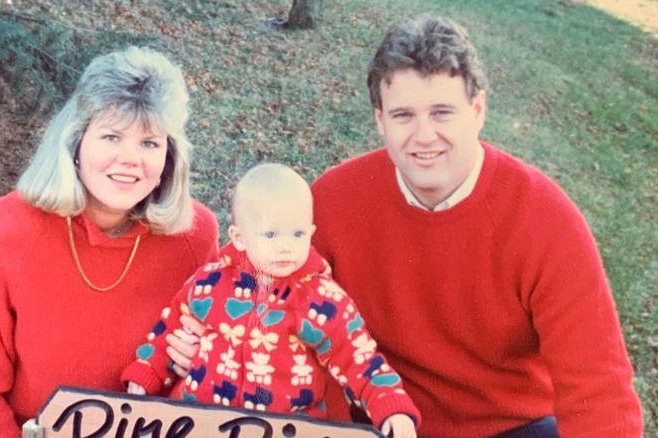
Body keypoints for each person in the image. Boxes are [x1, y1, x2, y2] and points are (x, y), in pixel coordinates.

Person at [309, 15, 644, 437]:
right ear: (380, 120)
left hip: (509, 426)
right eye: (403, 116)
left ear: (478, 109)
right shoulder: (335, 200)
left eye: (442, 112)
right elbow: (281, 314)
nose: (424, 135)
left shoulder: (546, 220)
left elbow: (600, 395)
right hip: (382, 420)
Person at [0, 46, 219, 438]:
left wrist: (201, 360)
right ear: (76, 142)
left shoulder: (195, 236)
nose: (130, 159)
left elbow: (217, 370)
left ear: (169, 158)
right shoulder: (4, 229)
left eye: (149, 143)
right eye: (111, 136)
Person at [121, 163, 421, 438]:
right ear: (239, 238)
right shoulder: (210, 283)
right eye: (271, 235)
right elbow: (169, 328)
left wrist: (390, 405)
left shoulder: (320, 299)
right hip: (201, 419)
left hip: (285, 427)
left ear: (311, 233)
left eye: (297, 234)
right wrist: (147, 371)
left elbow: (358, 356)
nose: (285, 248)